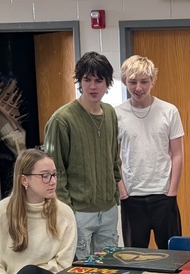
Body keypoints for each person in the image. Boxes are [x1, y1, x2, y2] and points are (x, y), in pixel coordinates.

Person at [43, 51, 121, 259]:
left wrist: (114, 196)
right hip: (78, 212)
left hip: (108, 211)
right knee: (78, 273)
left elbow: (114, 157)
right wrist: (66, 210)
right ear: (79, 82)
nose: (93, 86)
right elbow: (54, 170)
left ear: (108, 83)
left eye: (99, 80)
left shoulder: (111, 113)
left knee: (109, 269)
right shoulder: (62, 120)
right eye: (87, 80)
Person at [116, 55, 184, 249]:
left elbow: (178, 154)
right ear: (124, 82)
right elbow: (113, 157)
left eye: (144, 82)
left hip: (163, 195)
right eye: (132, 82)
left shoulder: (169, 111)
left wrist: (172, 192)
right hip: (132, 197)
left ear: (153, 81)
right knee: (135, 257)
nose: (138, 88)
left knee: (172, 256)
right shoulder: (116, 114)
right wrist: (122, 192)